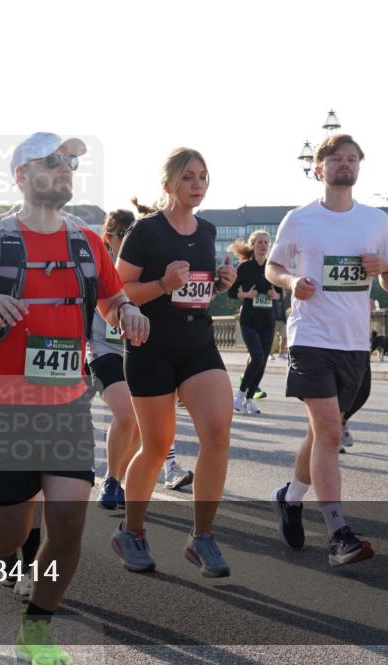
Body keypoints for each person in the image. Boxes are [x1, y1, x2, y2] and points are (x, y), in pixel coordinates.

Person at [0, 132, 149, 664]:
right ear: (20, 175)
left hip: (67, 403)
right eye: (52, 161)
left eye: (71, 161)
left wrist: (129, 313)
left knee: (68, 527)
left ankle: (36, 631)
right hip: (5, 401)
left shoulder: (87, 243)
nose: (65, 168)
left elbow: (111, 301)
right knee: (8, 535)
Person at [266, 134, 388, 566]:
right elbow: (273, 266)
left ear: (359, 168)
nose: (345, 164)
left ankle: (291, 497)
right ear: (319, 168)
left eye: (352, 159)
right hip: (310, 339)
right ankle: (338, 534)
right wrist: (292, 283)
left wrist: (385, 268)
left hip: (354, 344)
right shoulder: (300, 219)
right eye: (336, 158)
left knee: (318, 433)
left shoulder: (377, 221)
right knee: (329, 432)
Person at [112, 148, 236, 577]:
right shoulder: (145, 233)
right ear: (167, 186)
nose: (198, 183)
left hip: (198, 343)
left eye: (203, 176)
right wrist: (163, 284)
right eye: (188, 177)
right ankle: (132, 530)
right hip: (151, 346)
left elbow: (196, 291)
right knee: (158, 444)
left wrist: (219, 285)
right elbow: (117, 296)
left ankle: (202, 537)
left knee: (218, 431)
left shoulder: (207, 230)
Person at [89, 208, 141, 510]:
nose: (126, 239)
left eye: (131, 233)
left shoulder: (144, 267)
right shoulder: (98, 264)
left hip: (135, 350)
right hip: (101, 348)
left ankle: (119, 477)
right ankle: (110, 479)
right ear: (108, 237)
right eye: (121, 234)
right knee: (125, 414)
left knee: (135, 425)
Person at [228, 231, 282, 415]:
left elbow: (281, 293)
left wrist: (276, 295)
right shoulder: (244, 268)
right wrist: (246, 295)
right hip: (249, 320)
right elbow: (231, 292)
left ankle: (250, 399)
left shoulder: (273, 268)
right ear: (253, 245)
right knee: (257, 357)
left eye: (266, 242)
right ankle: (239, 395)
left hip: (268, 321)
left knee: (263, 362)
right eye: (259, 242)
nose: (263, 245)